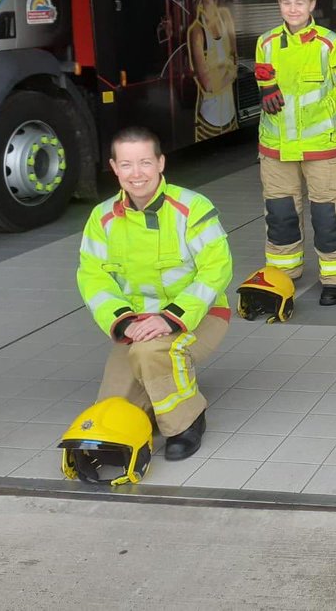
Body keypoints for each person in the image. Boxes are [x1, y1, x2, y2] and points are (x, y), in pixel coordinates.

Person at [77, 126, 233, 461]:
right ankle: (161, 387)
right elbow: (93, 279)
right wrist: (123, 322)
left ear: (161, 163)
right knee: (115, 407)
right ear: (114, 167)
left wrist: (171, 318)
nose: (137, 174)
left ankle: (186, 422)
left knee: (151, 353)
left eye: (145, 162)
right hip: (136, 325)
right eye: (127, 164)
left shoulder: (192, 207)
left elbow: (217, 270)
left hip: (200, 316)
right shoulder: (101, 218)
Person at [254, 0, 336, 306]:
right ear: (279, 5)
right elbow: (264, 77)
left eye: (299, 2)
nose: (293, 9)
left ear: (312, 5)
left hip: (322, 147)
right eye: (286, 2)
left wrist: (327, 123)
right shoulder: (266, 42)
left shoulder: (333, 45)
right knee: (280, 213)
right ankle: (283, 273)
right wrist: (266, 88)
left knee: (326, 215)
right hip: (276, 145)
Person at [186, 0, 238, 142]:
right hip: (208, 124)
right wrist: (228, 71)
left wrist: (220, 72)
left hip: (231, 119)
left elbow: (235, 61)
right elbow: (208, 85)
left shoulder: (226, 17)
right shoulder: (197, 31)